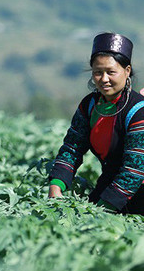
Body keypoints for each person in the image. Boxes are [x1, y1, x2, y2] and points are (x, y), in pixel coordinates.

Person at [48, 32, 144, 215]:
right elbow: (72, 148)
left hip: (139, 192)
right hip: (109, 183)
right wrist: (56, 185)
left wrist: (101, 212)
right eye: (98, 72)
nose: (104, 79)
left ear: (127, 71)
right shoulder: (90, 105)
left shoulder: (139, 111)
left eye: (111, 72)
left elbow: (134, 169)